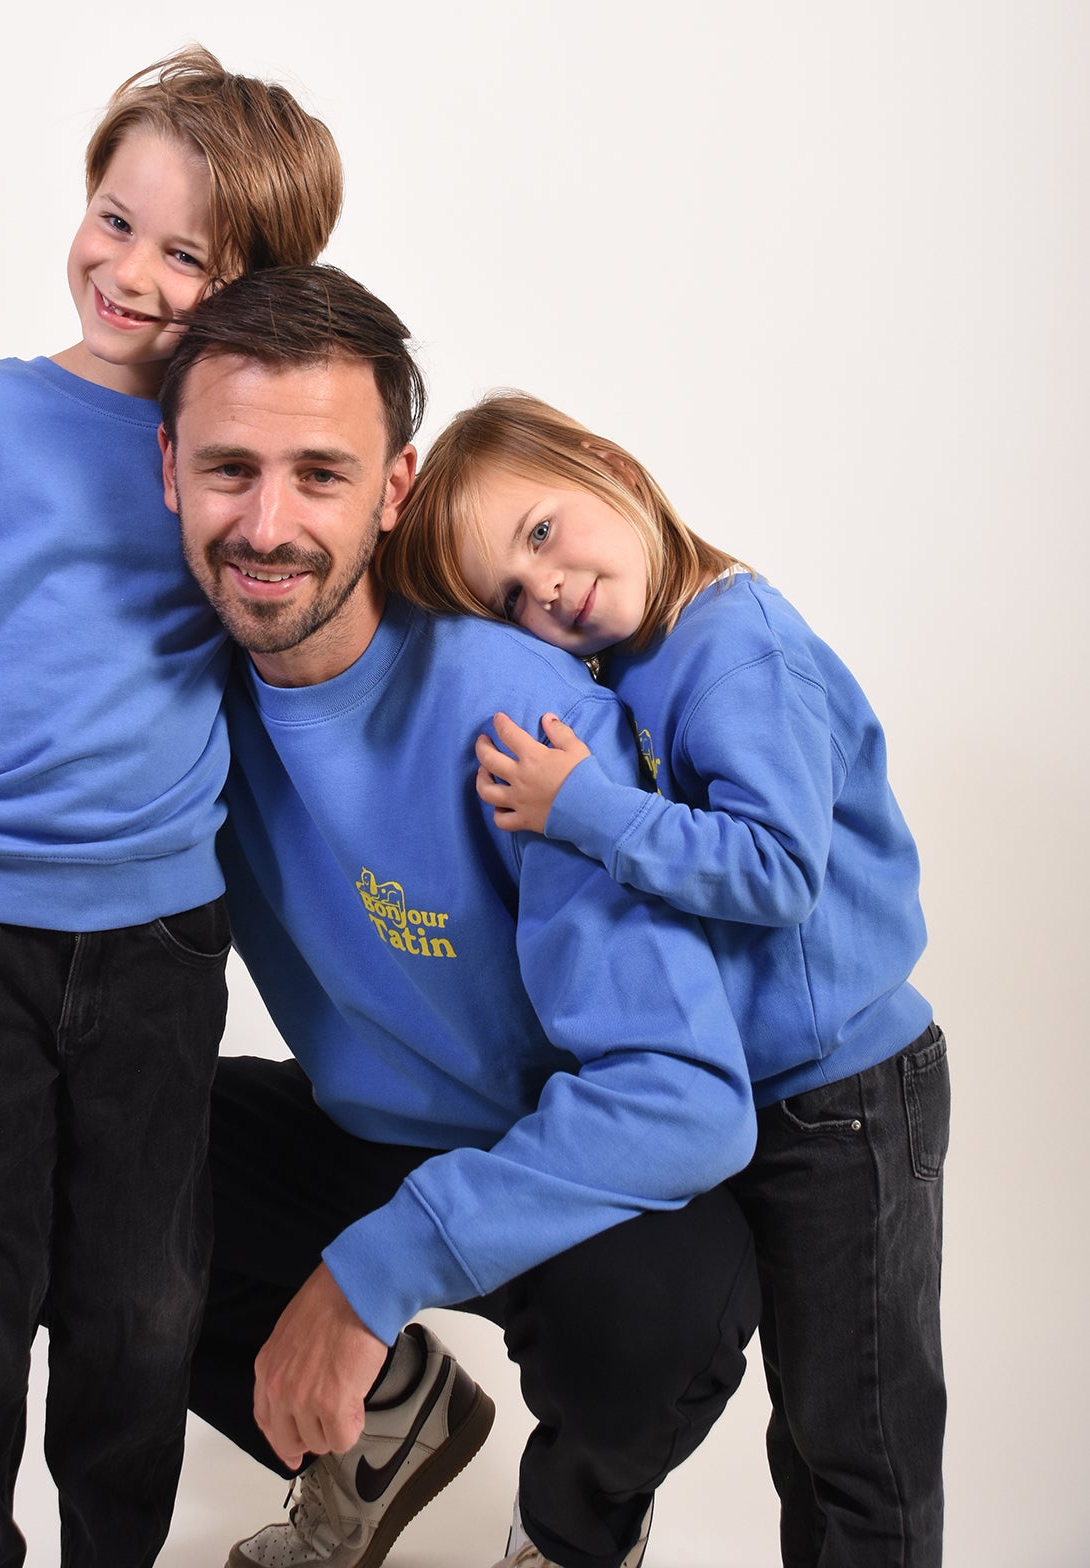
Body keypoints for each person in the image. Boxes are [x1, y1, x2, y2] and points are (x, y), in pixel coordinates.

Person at [0, 266, 762, 1568]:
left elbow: (686, 1098)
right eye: (230, 470)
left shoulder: (528, 718)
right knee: (32, 1179)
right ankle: (387, 1428)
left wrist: (367, 1276)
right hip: (364, 1136)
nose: (267, 525)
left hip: (581, 1162)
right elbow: (40, 916)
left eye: (321, 475)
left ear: (395, 488)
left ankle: (567, 1532)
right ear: (167, 469)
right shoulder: (172, 705)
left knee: (660, 1317)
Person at [0, 52, 343, 1568]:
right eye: (118, 221)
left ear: (256, 286)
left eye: (189, 254)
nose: (133, 271)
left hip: (166, 949)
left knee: (142, 1307)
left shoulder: (232, 466)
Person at [379, 389, 951, 1567]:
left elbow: (777, 867)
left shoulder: (737, 643)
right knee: (801, 1421)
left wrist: (587, 809)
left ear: (603, 462)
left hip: (848, 1093)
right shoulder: (626, 655)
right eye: (511, 599)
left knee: (859, 1425)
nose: (551, 590)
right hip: (757, 1095)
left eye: (541, 533)